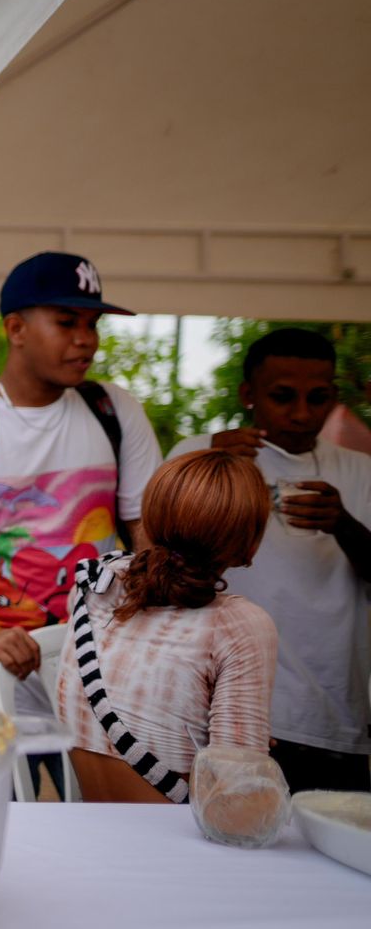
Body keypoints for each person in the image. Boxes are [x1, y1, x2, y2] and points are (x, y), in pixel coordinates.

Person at [0, 252, 162, 716]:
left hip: (94, 681)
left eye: (92, 325)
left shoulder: (115, 411)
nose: (86, 341)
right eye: (66, 322)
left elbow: (145, 526)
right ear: (16, 329)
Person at [168, 328, 371, 792]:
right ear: (248, 395)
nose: (302, 414)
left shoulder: (361, 471)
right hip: (227, 717)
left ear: (334, 396)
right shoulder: (204, 454)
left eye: (317, 398)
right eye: (283, 396)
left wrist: (343, 524)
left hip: (333, 720)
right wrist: (211, 471)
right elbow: (164, 564)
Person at [54, 450, 276, 802]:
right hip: (173, 844)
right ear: (248, 547)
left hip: (90, 828)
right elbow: (239, 800)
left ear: (150, 521)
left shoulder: (93, 584)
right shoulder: (237, 625)